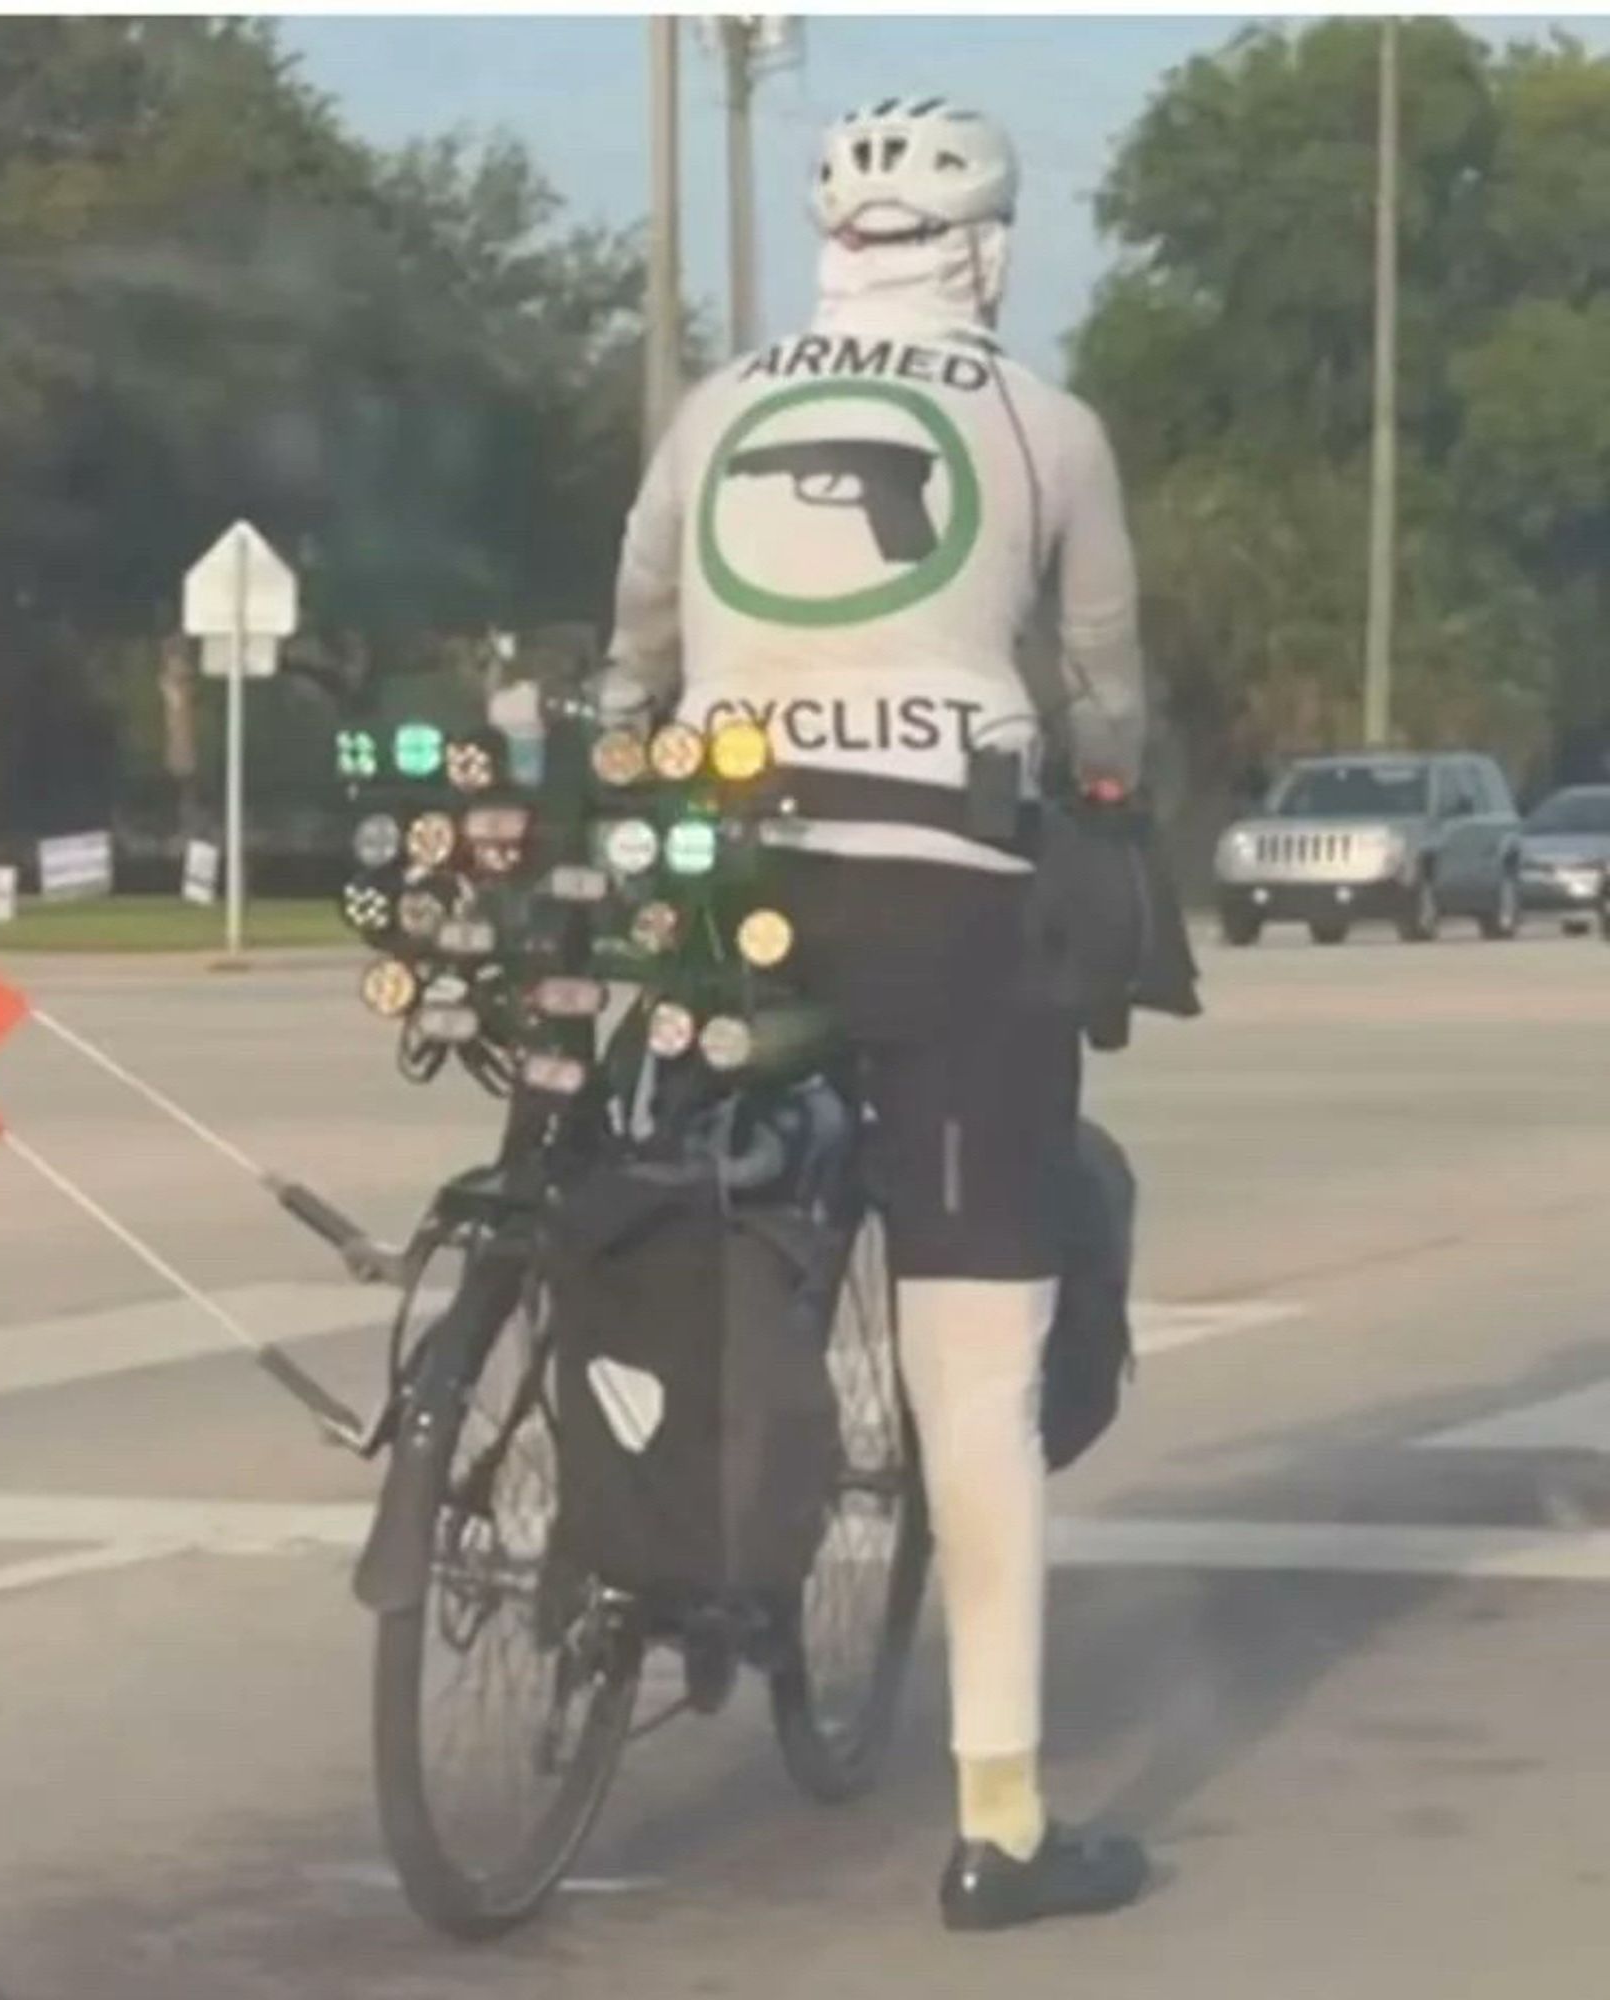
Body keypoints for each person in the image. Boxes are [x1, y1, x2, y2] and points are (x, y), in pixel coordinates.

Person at [605, 98, 1150, 1930]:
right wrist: (1106, 791)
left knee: (629, 1175)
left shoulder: (718, 404)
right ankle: (999, 1825)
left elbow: (641, 618)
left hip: (717, 871)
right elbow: (1102, 681)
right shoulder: (1041, 421)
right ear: (988, 244)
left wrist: (630, 742)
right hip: (946, 898)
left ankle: (628, 1498)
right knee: (974, 1379)